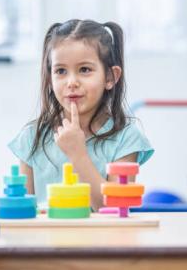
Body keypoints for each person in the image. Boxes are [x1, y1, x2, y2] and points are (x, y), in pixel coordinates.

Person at [9, 19, 154, 211]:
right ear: (49, 78)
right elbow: (23, 213)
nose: (71, 82)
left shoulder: (126, 137)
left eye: (84, 70)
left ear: (110, 77)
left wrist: (77, 154)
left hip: (103, 241)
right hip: (45, 241)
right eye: (60, 71)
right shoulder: (31, 137)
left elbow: (114, 209)